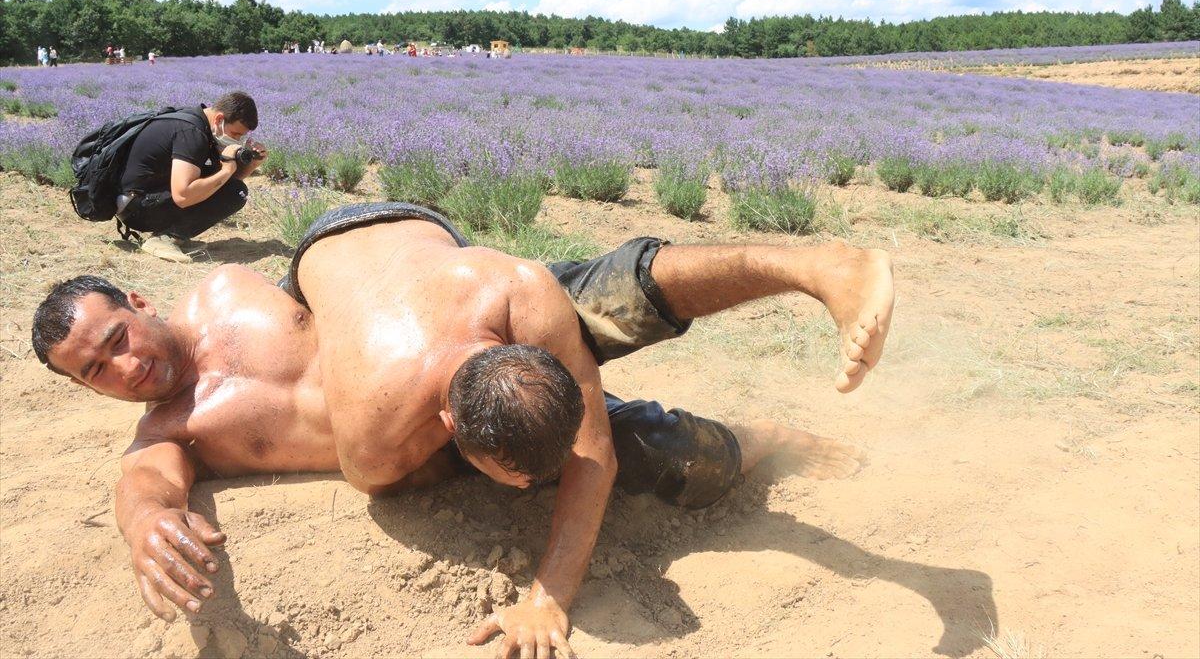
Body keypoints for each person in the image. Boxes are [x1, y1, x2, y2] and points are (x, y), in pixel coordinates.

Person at [31, 202, 892, 656]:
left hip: (429, 341)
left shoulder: (222, 292)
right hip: (441, 421)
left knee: (590, 303)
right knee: (661, 452)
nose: (125, 368)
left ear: (138, 303)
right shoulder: (175, 431)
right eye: (94, 373)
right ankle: (763, 438)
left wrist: (550, 592)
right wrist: (147, 524)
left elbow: (367, 279)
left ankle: (814, 266)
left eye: (116, 340)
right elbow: (144, 480)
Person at [115, 91, 267, 263]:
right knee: (235, 192)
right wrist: (226, 170)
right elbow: (183, 195)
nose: (237, 140)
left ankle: (172, 235)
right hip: (137, 209)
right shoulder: (192, 133)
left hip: (137, 200)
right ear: (218, 119)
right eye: (235, 134)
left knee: (230, 188)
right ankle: (164, 239)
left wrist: (251, 164)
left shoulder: (198, 122)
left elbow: (225, 184)